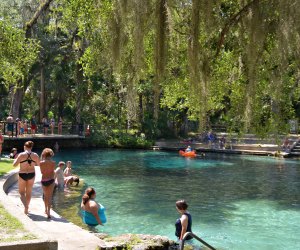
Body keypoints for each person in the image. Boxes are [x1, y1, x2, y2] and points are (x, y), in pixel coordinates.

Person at [13, 141, 40, 214]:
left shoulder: (21, 155)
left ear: (24, 146)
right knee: (29, 192)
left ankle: (26, 206)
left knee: (21, 193)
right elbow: (39, 164)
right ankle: (26, 208)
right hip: (32, 174)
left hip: (22, 174)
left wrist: (16, 158)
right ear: (31, 147)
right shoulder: (36, 155)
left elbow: (14, 165)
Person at [39, 148, 56, 219]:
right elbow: (52, 172)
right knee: (50, 197)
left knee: (45, 196)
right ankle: (49, 212)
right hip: (51, 180)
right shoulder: (53, 163)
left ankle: (45, 210)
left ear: (44, 154)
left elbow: (42, 172)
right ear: (50, 154)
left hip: (44, 180)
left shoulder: (41, 163)